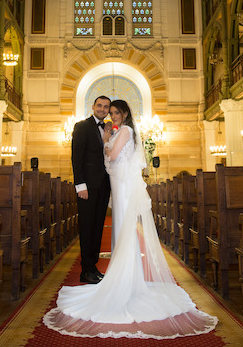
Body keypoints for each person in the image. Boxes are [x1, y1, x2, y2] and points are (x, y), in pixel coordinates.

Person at [44, 100, 218, 339]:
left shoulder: (122, 131)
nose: (110, 114)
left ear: (124, 113)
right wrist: (82, 181)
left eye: (114, 111)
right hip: (108, 186)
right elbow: (80, 156)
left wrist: (106, 142)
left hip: (121, 188)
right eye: (107, 109)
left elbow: (113, 157)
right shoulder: (90, 127)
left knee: (122, 231)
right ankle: (99, 271)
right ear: (95, 107)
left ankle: (123, 277)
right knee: (112, 230)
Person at [71, 95, 112, 284]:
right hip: (87, 187)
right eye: (100, 105)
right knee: (87, 228)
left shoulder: (108, 129)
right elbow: (76, 158)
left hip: (104, 186)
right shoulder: (82, 126)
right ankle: (85, 270)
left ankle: (92, 267)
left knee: (97, 227)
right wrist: (80, 185)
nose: (102, 109)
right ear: (93, 106)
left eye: (106, 107)